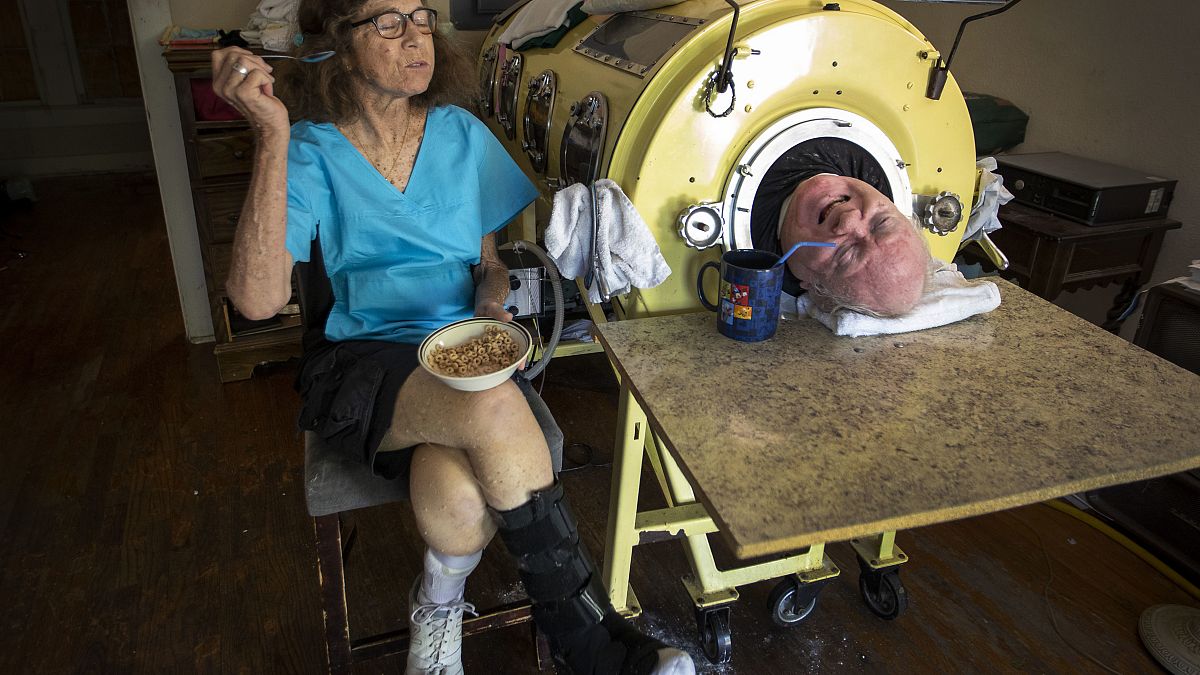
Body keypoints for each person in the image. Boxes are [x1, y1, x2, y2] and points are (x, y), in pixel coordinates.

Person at [210, 2, 694, 674]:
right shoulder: (310, 151)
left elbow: (488, 264)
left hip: (460, 350)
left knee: (460, 491)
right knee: (494, 406)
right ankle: (590, 641)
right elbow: (256, 300)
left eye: (421, 16)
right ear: (340, 47)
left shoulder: (461, 134)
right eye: (388, 22)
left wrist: (492, 306)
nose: (418, 36)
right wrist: (269, 135)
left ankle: (435, 611)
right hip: (363, 359)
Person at [751, 138, 931, 317]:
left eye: (845, 253)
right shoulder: (858, 146)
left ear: (814, 287)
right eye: (881, 222)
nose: (848, 219)